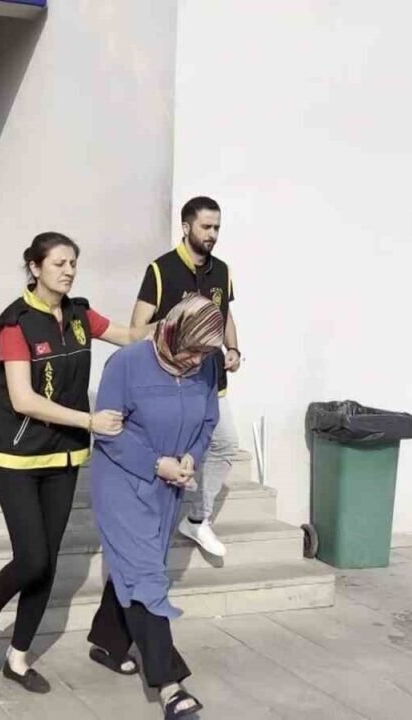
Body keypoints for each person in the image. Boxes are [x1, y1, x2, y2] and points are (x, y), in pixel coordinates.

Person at [0, 232, 151, 694]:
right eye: (59, 263)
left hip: (64, 455)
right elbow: (23, 399)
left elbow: (131, 336)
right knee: (31, 558)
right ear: (35, 268)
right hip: (15, 457)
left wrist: (172, 317)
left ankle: (18, 659)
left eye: (73, 263)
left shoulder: (79, 315)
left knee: (47, 563)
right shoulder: (15, 325)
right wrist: (90, 420)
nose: (69, 271)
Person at [88, 294, 224, 720]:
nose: (196, 361)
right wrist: (155, 463)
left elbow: (208, 421)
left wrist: (191, 458)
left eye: (205, 353)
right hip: (123, 481)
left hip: (170, 483)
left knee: (136, 565)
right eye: (192, 350)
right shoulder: (127, 364)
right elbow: (108, 432)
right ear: (172, 332)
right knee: (147, 574)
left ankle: (108, 641)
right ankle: (170, 686)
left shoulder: (208, 365)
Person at [131, 196, 242, 558]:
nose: (213, 234)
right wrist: (176, 328)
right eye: (206, 227)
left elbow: (224, 315)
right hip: (171, 382)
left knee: (225, 443)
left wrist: (233, 348)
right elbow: (136, 328)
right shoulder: (161, 270)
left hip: (210, 382)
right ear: (186, 227)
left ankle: (197, 518)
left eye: (217, 228)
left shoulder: (222, 271)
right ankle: (148, 531)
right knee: (168, 454)